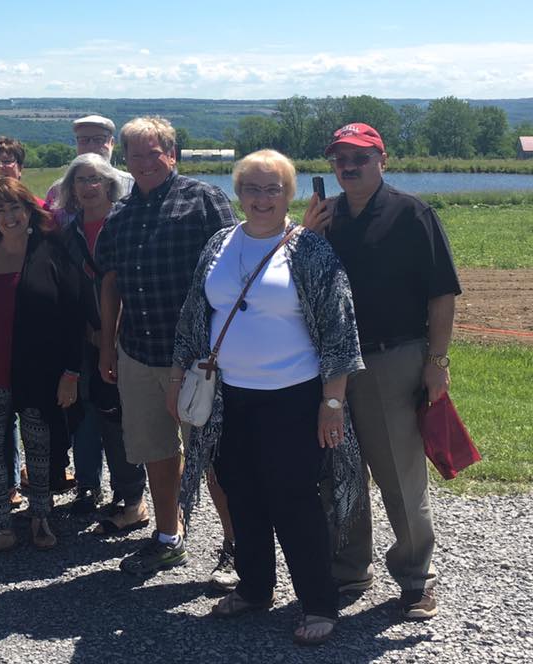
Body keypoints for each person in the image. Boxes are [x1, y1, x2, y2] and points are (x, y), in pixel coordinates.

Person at [172, 149, 365, 645]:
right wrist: (180, 377)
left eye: (272, 188)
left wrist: (333, 402)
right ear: (238, 192)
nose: (261, 198)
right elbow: (196, 314)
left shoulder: (310, 251)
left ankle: (319, 603)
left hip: (294, 398)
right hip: (230, 397)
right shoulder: (219, 243)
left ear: (288, 194)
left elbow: (341, 331)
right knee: (242, 491)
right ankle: (255, 588)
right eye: (252, 188)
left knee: (293, 500)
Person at [305, 123, 461, 620]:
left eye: (359, 157)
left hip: (391, 358)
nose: (348, 166)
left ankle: (416, 578)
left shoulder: (412, 213)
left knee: (400, 474)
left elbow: (442, 293)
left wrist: (437, 362)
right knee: (340, 471)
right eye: (339, 159)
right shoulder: (326, 216)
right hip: (330, 364)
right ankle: (350, 568)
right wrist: (306, 237)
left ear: (382, 160)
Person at [96, 116, 238, 576]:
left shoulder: (203, 200)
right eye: (134, 155)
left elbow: (234, 272)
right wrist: (107, 345)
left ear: (171, 155)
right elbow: (110, 282)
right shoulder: (120, 213)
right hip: (138, 351)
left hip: (199, 357)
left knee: (212, 455)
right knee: (158, 451)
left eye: (152, 154)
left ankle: (236, 547)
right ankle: (167, 535)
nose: (142, 163)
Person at [0, 178, 83, 558]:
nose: (8, 216)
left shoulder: (52, 253)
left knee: (40, 449)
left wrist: (71, 373)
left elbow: (73, 317)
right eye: (0, 209)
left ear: (30, 210)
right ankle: (1, 528)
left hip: (40, 375)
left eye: (15, 208)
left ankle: (41, 518)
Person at [54, 153, 147, 521]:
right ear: (71, 190)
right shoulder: (66, 236)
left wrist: (112, 331)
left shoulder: (126, 225)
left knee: (118, 417)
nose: (88, 187)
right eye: (81, 180)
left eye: (95, 179)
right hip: (82, 339)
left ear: (110, 184)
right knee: (83, 414)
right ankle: (88, 486)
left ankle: (131, 493)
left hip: (127, 336)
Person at [0, 135, 75, 497]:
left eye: (8, 161)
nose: (1, 166)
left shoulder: (43, 214)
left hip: (39, 333)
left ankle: (49, 481)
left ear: (21, 167)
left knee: (43, 413)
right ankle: (7, 487)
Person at [46, 115, 135, 227]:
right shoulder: (56, 191)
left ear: (112, 143)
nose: (91, 146)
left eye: (99, 140)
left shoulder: (133, 185)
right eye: (84, 140)